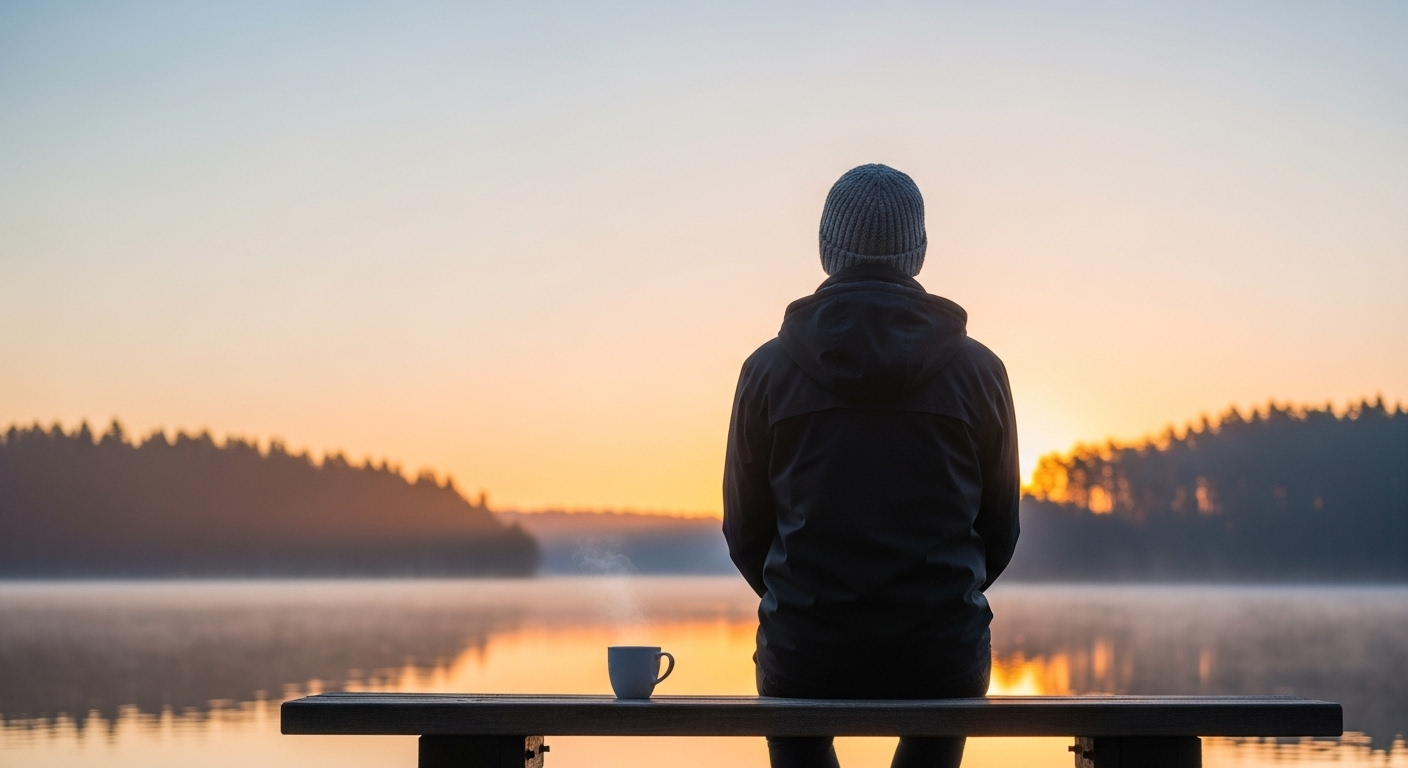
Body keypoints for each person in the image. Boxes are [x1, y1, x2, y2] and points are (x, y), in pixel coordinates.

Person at [722, 164, 1021, 768]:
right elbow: (1000, 529)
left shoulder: (767, 372)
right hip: (940, 650)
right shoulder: (981, 373)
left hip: (805, 647)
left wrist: (808, 599)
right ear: (919, 252)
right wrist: (931, 597)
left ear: (827, 249)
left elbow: (745, 529)